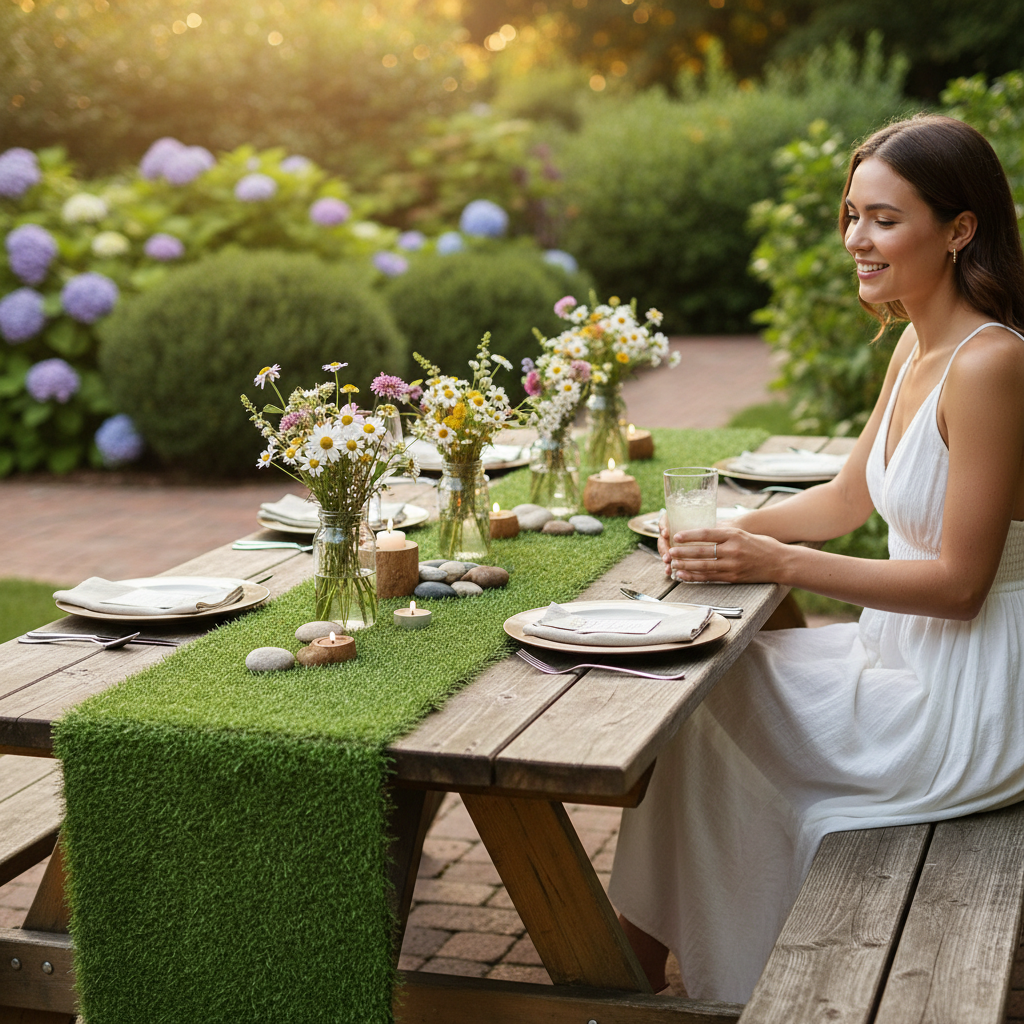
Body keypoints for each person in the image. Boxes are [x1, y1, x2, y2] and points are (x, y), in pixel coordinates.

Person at [608, 113, 1024, 1003]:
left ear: (960, 230)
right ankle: (641, 979)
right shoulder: (916, 340)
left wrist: (774, 562)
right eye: (851, 215)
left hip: (976, 694)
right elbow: (845, 502)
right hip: (902, 655)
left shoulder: (992, 366)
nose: (856, 241)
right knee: (694, 701)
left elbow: (959, 586)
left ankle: (664, 983)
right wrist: (716, 528)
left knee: (699, 714)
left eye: (883, 219)